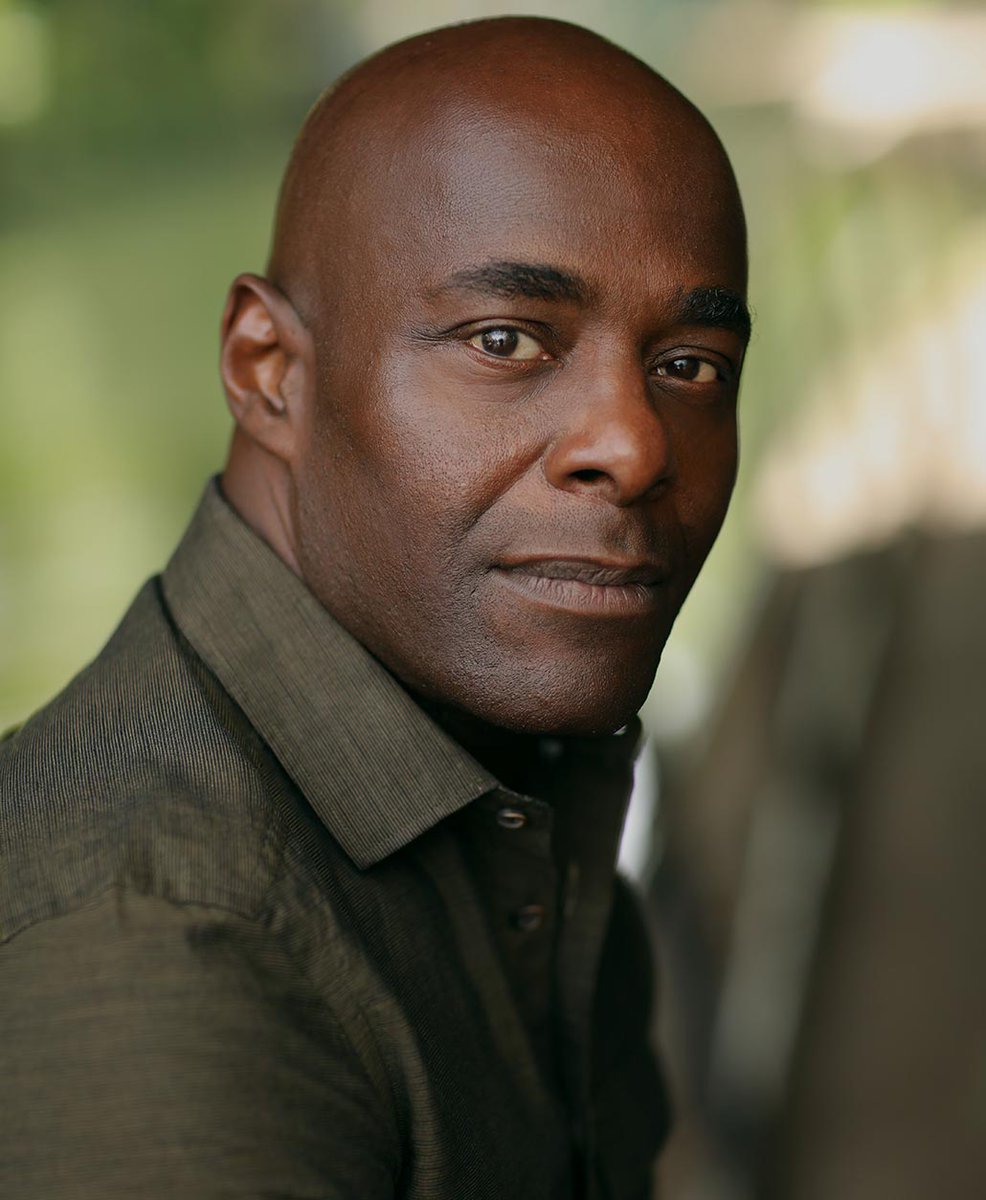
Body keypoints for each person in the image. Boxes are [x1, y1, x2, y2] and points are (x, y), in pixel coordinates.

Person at [0, 16, 750, 1199]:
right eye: (504, 340)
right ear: (269, 371)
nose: (632, 444)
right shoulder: (156, 949)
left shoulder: (516, 772)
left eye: (690, 365)